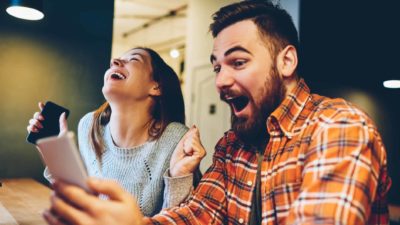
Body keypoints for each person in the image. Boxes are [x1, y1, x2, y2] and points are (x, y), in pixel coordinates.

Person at [43, 1, 391, 225]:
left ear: (286, 61)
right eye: (216, 67)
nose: (222, 80)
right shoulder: (231, 147)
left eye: (238, 62)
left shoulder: (338, 126)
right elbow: (197, 215)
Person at [27, 47, 205, 217]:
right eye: (115, 61)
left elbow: (180, 218)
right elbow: (81, 201)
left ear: (156, 87)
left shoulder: (175, 138)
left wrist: (180, 177)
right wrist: (55, 153)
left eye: (133, 59)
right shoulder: (89, 126)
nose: (115, 61)